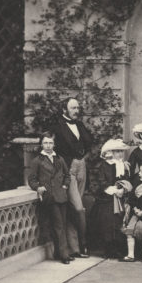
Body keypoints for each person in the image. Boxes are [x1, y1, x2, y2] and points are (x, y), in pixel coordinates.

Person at [51, 97, 94, 258]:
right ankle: (83, 245)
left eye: (77, 108)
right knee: (78, 208)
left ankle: (73, 247)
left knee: (74, 208)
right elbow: (54, 150)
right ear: (64, 110)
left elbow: (89, 142)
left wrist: (82, 159)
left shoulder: (80, 124)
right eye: (73, 108)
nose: (76, 110)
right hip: (68, 169)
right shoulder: (57, 127)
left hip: (81, 166)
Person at [27, 132, 71, 264]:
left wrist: (65, 186)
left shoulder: (60, 159)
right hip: (49, 197)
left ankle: (58, 253)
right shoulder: (37, 161)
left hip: (61, 196)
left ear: (54, 144)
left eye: (50, 142)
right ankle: (64, 255)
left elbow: (67, 175)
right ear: (41, 144)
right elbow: (32, 179)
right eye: (45, 143)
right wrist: (38, 187)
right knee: (58, 225)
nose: (48, 145)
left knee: (61, 224)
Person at [90, 138, 133, 259]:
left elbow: (127, 180)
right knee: (107, 223)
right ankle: (108, 249)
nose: (120, 154)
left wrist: (123, 190)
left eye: (121, 151)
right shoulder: (103, 166)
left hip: (120, 198)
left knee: (120, 222)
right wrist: (114, 191)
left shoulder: (123, 166)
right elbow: (101, 181)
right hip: (106, 199)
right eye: (117, 151)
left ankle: (119, 249)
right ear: (111, 152)